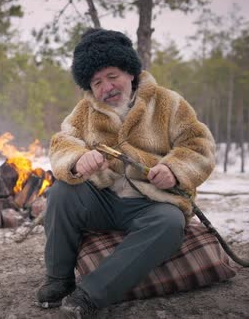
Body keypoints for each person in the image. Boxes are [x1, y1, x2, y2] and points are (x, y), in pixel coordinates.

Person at [36, 28, 216, 318]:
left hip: (153, 202)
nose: (106, 87)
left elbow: (199, 144)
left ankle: (90, 295)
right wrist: (78, 160)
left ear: (130, 72)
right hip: (103, 200)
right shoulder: (84, 111)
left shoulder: (168, 103)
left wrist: (174, 169)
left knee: (170, 224)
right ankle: (59, 279)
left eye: (112, 76)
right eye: (96, 82)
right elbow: (62, 143)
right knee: (60, 193)